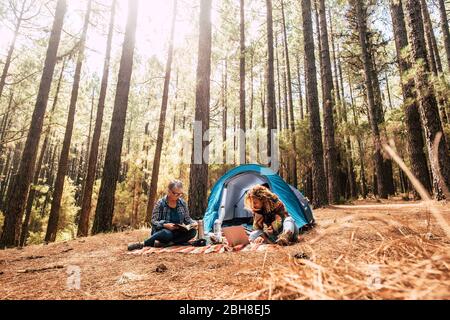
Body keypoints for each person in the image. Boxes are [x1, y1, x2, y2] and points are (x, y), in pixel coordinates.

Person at [128, 180, 198, 251]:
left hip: (177, 232)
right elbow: (153, 221)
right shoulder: (160, 203)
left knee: (193, 232)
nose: (178, 196)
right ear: (169, 191)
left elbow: (187, 219)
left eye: (180, 194)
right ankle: (143, 244)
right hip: (163, 232)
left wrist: (193, 223)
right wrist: (164, 225)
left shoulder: (182, 203)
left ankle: (170, 243)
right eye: (175, 194)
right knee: (166, 233)